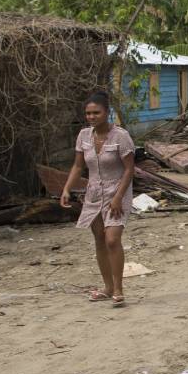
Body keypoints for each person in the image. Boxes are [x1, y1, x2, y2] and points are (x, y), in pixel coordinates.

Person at [60, 91, 136, 307]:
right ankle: (107, 287)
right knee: (100, 240)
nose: (92, 117)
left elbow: (130, 169)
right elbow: (78, 165)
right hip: (93, 194)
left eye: (96, 112)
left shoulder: (121, 136)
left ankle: (119, 289)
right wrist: (67, 188)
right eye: (88, 113)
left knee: (112, 239)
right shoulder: (83, 136)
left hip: (117, 191)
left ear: (106, 112)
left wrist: (118, 197)